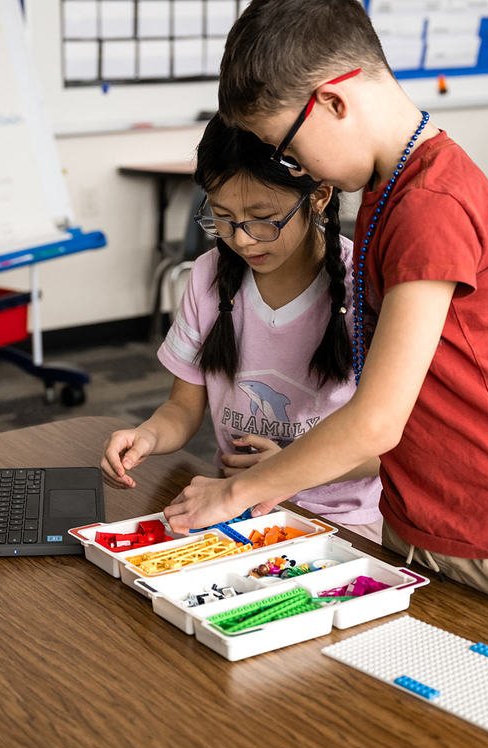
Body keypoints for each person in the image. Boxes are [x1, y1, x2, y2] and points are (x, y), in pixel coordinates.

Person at [163, 0, 488, 642]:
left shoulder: (431, 205)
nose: (294, 167)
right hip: (425, 516)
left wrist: (237, 493)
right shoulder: (388, 187)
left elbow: (374, 422)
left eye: (287, 149)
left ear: (332, 101)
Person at [101, 113, 382, 540]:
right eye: (223, 217)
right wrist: (148, 436)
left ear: (319, 196)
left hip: (343, 520)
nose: (243, 239)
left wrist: (283, 470)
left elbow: (392, 447)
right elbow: (182, 408)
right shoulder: (208, 276)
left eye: (262, 218)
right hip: (235, 509)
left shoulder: (364, 286)